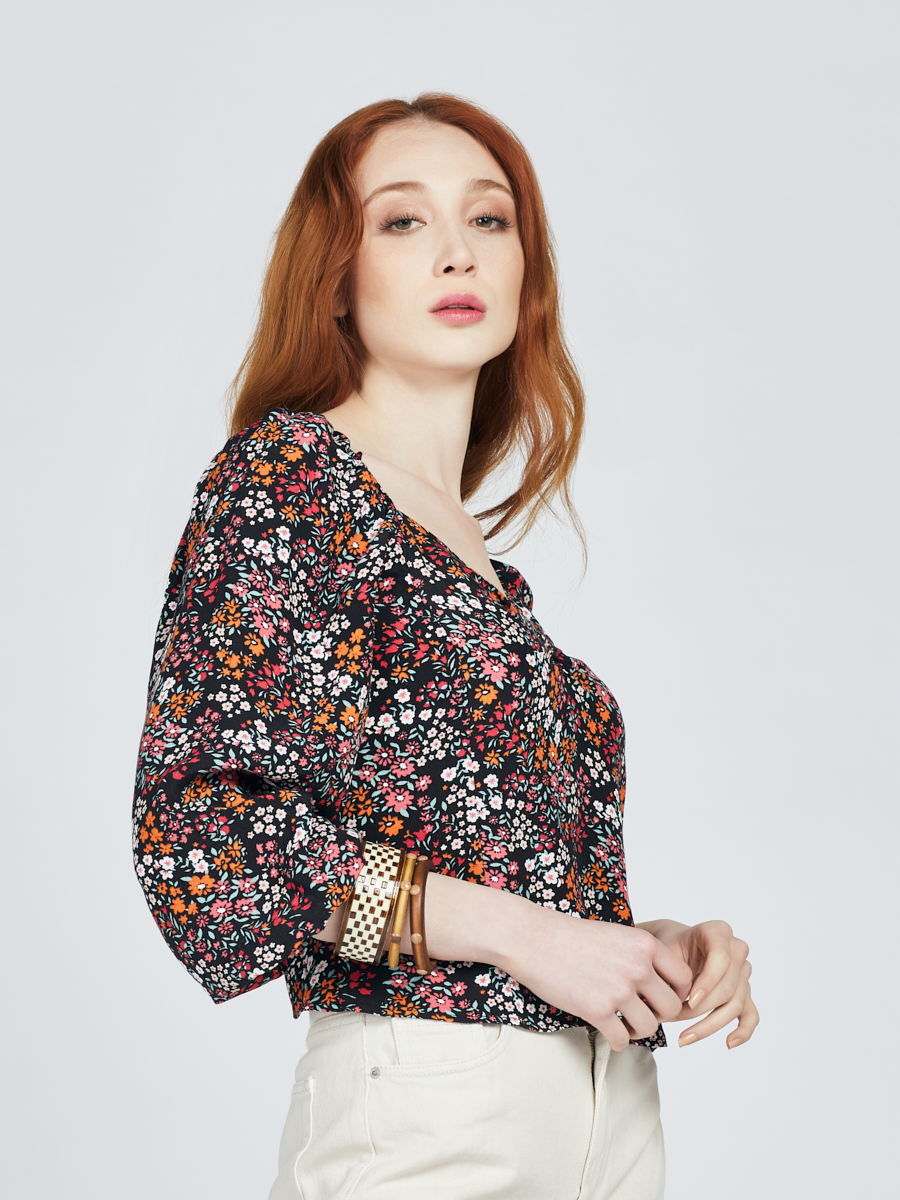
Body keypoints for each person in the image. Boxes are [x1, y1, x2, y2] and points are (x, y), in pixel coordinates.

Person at [133, 93, 758, 1200]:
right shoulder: (291, 483)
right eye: (403, 220)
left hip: (605, 1110)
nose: (458, 250)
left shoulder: (477, 564)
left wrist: (643, 948)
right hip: (434, 1104)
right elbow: (202, 842)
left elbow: (487, 867)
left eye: (490, 218)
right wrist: (525, 937)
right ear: (336, 273)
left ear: (526, 268)